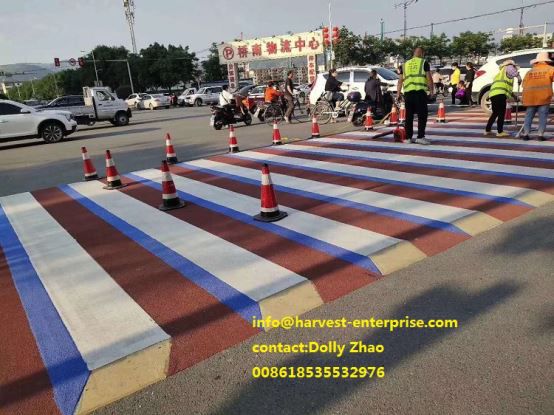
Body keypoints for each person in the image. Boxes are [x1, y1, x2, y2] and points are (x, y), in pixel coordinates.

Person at [397, 47, 435, 145]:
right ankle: (420, 137)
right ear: (422, 53)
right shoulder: (424, 62)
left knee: (409, 116)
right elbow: (429, 78)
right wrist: (432, 91)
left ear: (413, 53)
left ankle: (408, 138)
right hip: (420, 93)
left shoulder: (404, 65)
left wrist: (398, 93)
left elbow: (400, 80)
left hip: (408, 93)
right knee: (422, 115)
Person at [520, 51, 554, 141]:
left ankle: (526, 134)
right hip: (544, 97)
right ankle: (540, 135)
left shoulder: (530, 71)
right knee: (542, 117)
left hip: (530, 98)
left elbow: (523, 85)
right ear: (546, 60)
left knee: (529, 116)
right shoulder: (550, 69)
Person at [485, 59, 521, 138]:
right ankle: (500, 131)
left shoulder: (501, 73)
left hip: (493, 94)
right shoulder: (508, 67)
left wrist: (515, 97)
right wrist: (519, 77)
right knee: (501, 113)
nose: (514, 68)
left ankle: (487, 130)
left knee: (495, 113)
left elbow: (507, 88)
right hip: (500, 94)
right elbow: (513, 72)